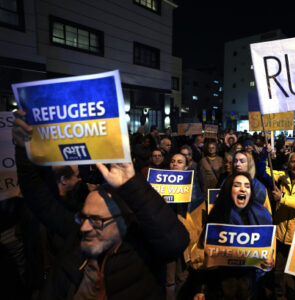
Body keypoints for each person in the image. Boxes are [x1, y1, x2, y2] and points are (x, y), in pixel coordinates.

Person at [12, 110, 189, 299]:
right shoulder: (77, 236)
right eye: (84, 216)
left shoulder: (143, 251)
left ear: (122, 222)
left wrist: (130, 182)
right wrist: (25, 150)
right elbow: (39, 198)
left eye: (96, 220)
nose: (85, 227)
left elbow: (175, 242)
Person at [193, 172, 272, 300]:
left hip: (250, 287)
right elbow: (203, 256)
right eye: (237, 185)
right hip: (221, 287)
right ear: (229, 189)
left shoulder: (261, 216)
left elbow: (266, 255)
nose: (243, 189)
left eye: (247, 186)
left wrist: (267, 262)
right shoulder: (217, 215)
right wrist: (201, 289)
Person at [257, 147, 295, 299]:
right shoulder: (281, 176)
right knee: (278, 272)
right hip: (280, 234)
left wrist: (283, 198)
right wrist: (265, 154)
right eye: (293, 161)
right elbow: (262, 171)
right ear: (288, 163)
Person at [166, 153, 205, 300]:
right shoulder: (159, 186)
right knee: (168, 280)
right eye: (172, 161)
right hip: (167, 240)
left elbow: (197, 215)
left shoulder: (194, 188)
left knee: (183, 277)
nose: (175, 164)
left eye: (179, 162)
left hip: (186, 242)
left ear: (187, 166)